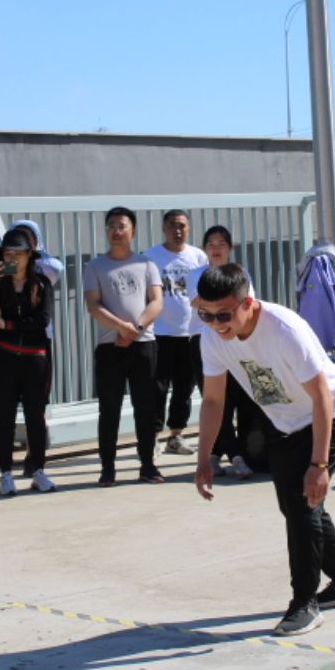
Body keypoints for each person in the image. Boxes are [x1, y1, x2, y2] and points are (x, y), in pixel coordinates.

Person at [193, 264, 335, 637]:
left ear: (247, 303)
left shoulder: (285, 330)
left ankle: (305, 603)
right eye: (206, 314)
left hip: (331, 414)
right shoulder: (211, 337)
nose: (216, 324)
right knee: (297, 506)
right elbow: (213, 401)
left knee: (303, 506)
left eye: (224, 315)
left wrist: (319, 464)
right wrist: (204, 457)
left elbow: (322, 398)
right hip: (284, 422)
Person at [0, 219, 64, 479]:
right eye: (9, 247)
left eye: (24, 244)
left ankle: (34, 461)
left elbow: (55, 269)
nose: (13, 255)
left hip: (37, 349)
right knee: (0, 408)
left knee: (36, 409)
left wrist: (32, 256)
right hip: (4, 348)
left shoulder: (44, 274)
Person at [83, 207, 164, 485]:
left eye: (122, 226)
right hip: (110, 347)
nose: (116, 232)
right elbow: (93, 305)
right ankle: (107, 467)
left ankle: (148, 464)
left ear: (133, 230)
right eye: (111, 227)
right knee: (109, 409)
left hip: (144, 345)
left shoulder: (147, 264)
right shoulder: (95, 266)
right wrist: (121, 328)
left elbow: (156, 302)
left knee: (146, 407)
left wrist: (135, 329)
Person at [185, 226, 255, 479]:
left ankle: (214, 456)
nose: (216, 249)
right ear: (205, 249)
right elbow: (199, 302)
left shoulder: (241, 274)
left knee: (236, 397)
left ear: (230, 248)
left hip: (235, 340)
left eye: (221, 244)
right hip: (203, 339)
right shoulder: (196, 274)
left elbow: (248, 305)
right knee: (214, 399)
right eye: (211, 244)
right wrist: (228, 303)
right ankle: (236, 456)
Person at [145, 209, 207, 456]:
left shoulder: (198, 257)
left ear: (189, 228)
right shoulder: (150, 256)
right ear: (164, 228)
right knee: (157, 387)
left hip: (189, 332)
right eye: (172, 225)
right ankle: (152, 437)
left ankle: (176, 435)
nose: (177, 230)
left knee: (184, 387)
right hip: (158, 332)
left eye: (182, 225)